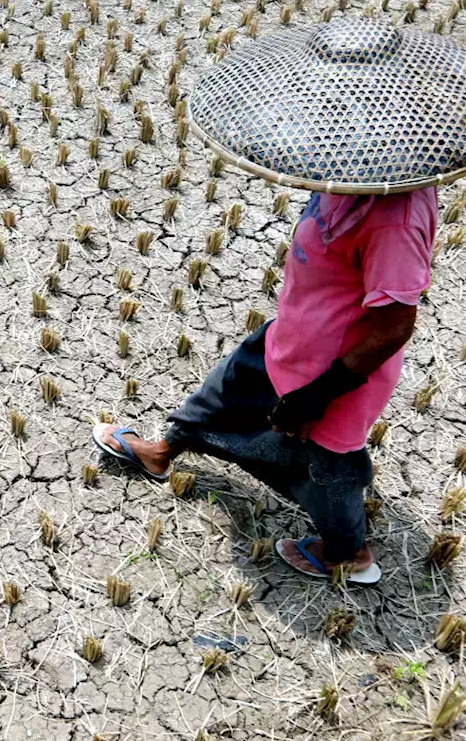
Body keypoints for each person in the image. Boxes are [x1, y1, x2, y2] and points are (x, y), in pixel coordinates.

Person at [93, 189, 438, 585]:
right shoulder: (346, 171)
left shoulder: (397, 218)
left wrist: (317, 395)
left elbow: (393, 329)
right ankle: (161, 452)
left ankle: (347, 554)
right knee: (223, 394)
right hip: (290, 339)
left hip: (336, 378)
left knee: (329, 468)